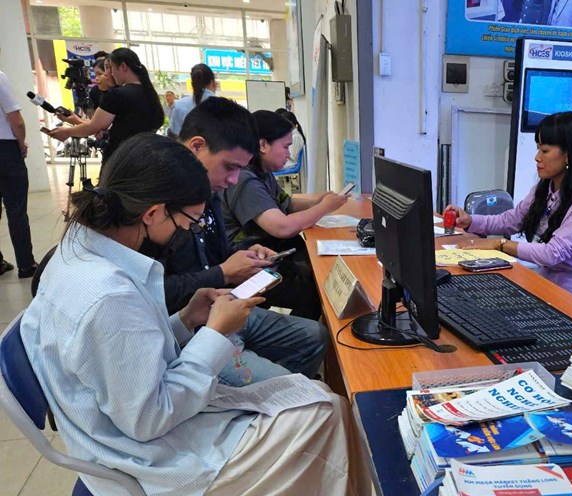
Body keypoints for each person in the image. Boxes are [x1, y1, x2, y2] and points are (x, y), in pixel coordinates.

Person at [21, 133, 371, 496]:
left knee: (316, 399)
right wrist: (216, 334)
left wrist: (187, 319)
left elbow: (124, 355)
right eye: (189, 221)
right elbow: (150, 417)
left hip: (126, 425)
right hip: (149, 458)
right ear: (153, 213)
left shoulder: (79, 250)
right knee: (327, 412)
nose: (190, 229)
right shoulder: (109, 295)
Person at [141, 97, 328, 384]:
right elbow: (151, 291)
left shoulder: (210, 190)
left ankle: (275, 396)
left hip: (222, 305)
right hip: (192, 327)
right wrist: (223, 272)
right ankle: (276, 394)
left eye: (240, 169)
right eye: (229, 167)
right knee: (293, 388)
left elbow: (217, 251)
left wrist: (244, 252)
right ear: (197, 146)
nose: (233, 180)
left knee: (315, 335)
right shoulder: (160, 205)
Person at [446, 112, 572, 313]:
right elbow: (511, 220)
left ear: (568, 154)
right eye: (537, 149)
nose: (537, 157)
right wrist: (469, 220)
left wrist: (500, 244)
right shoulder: (546, 188)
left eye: (545, 150)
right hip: (549, 287)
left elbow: (552, 254)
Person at [222, 111, 346, 320]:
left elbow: (285, 204)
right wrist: (324, 207)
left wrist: (318, 201)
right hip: (250, 262)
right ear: (263, 145)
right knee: (316, 288)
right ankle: (302, 337)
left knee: (319, 269)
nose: (289, 154)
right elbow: (282, 226)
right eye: (286, 146)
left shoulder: (262, 171)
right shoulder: (246, 180)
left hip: (268, 251)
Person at [47, 48, 163, 168]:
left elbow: (94, 126)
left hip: (121, 161)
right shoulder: (149, 93)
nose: (108, 73)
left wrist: (67, 132)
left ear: (123, 67)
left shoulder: (117, 94)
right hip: (147, 159)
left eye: (110, 68)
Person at [0, 69, 37, 278]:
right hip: (4, 150)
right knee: (16, 209)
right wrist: (21, 143)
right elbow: (16, 119)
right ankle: (26, 264)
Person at [168, 63, 215, 138]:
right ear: (213, 83)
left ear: (192, 84)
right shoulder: (225, 106)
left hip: (186, 149)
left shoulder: (179, 106)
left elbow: (175, 136)